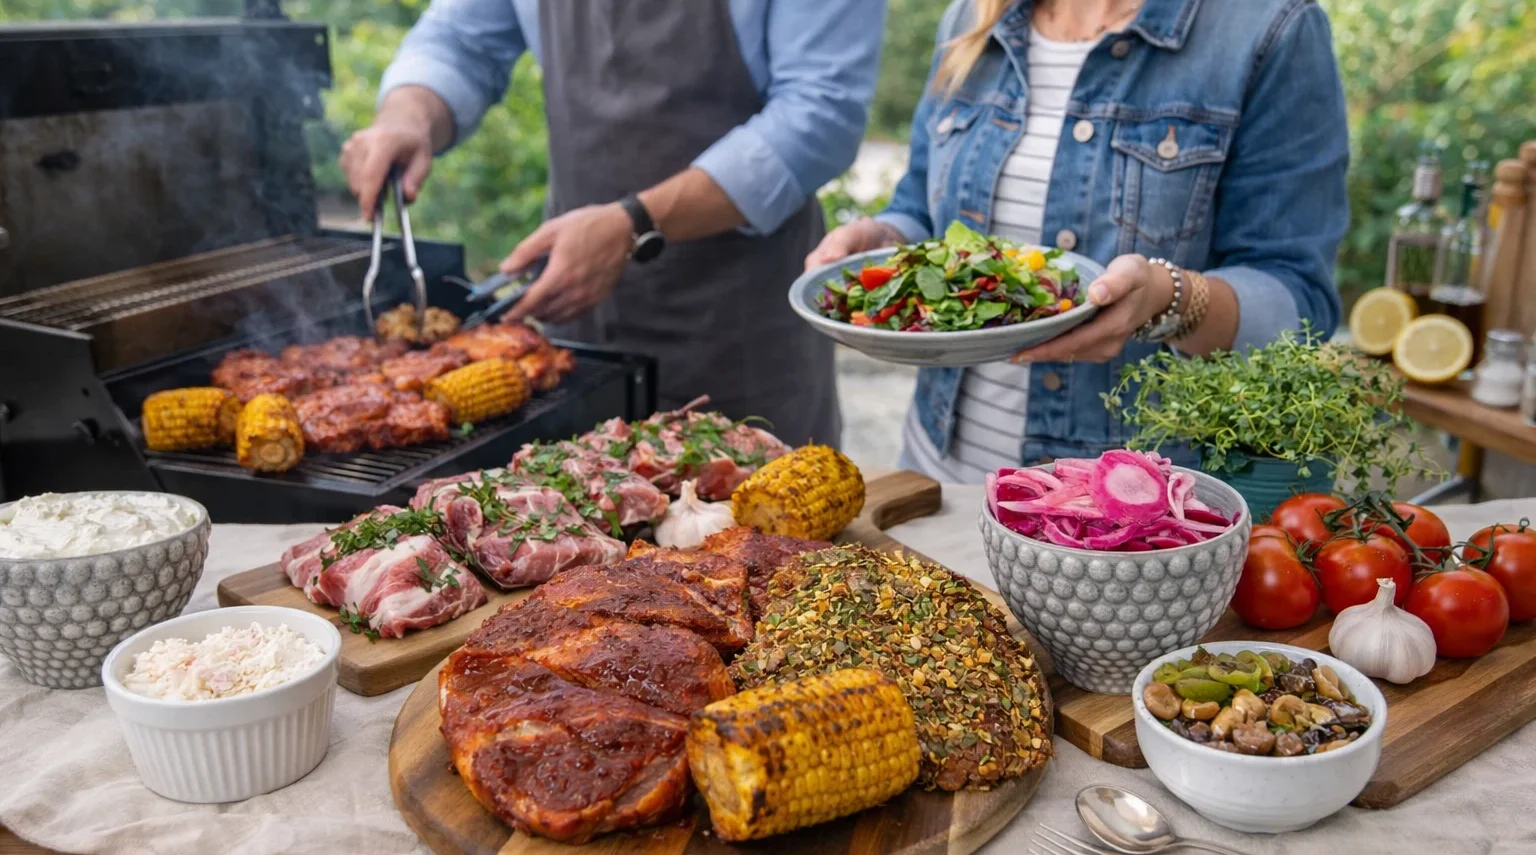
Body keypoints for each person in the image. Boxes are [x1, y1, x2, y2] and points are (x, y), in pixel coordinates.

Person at [806, 0, 1349, 479]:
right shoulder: (973, 16)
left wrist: (1169, 297)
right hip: (938, 471)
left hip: (1129, 501)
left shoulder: (1270, 28)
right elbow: (925, 210)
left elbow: (1296, 299)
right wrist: (885, 239)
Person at [340, 0, 886, 448]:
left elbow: (821, 114)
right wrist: (407, 117)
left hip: (738, 326)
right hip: (577, 319)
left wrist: (633, 224)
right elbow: (459, 42)